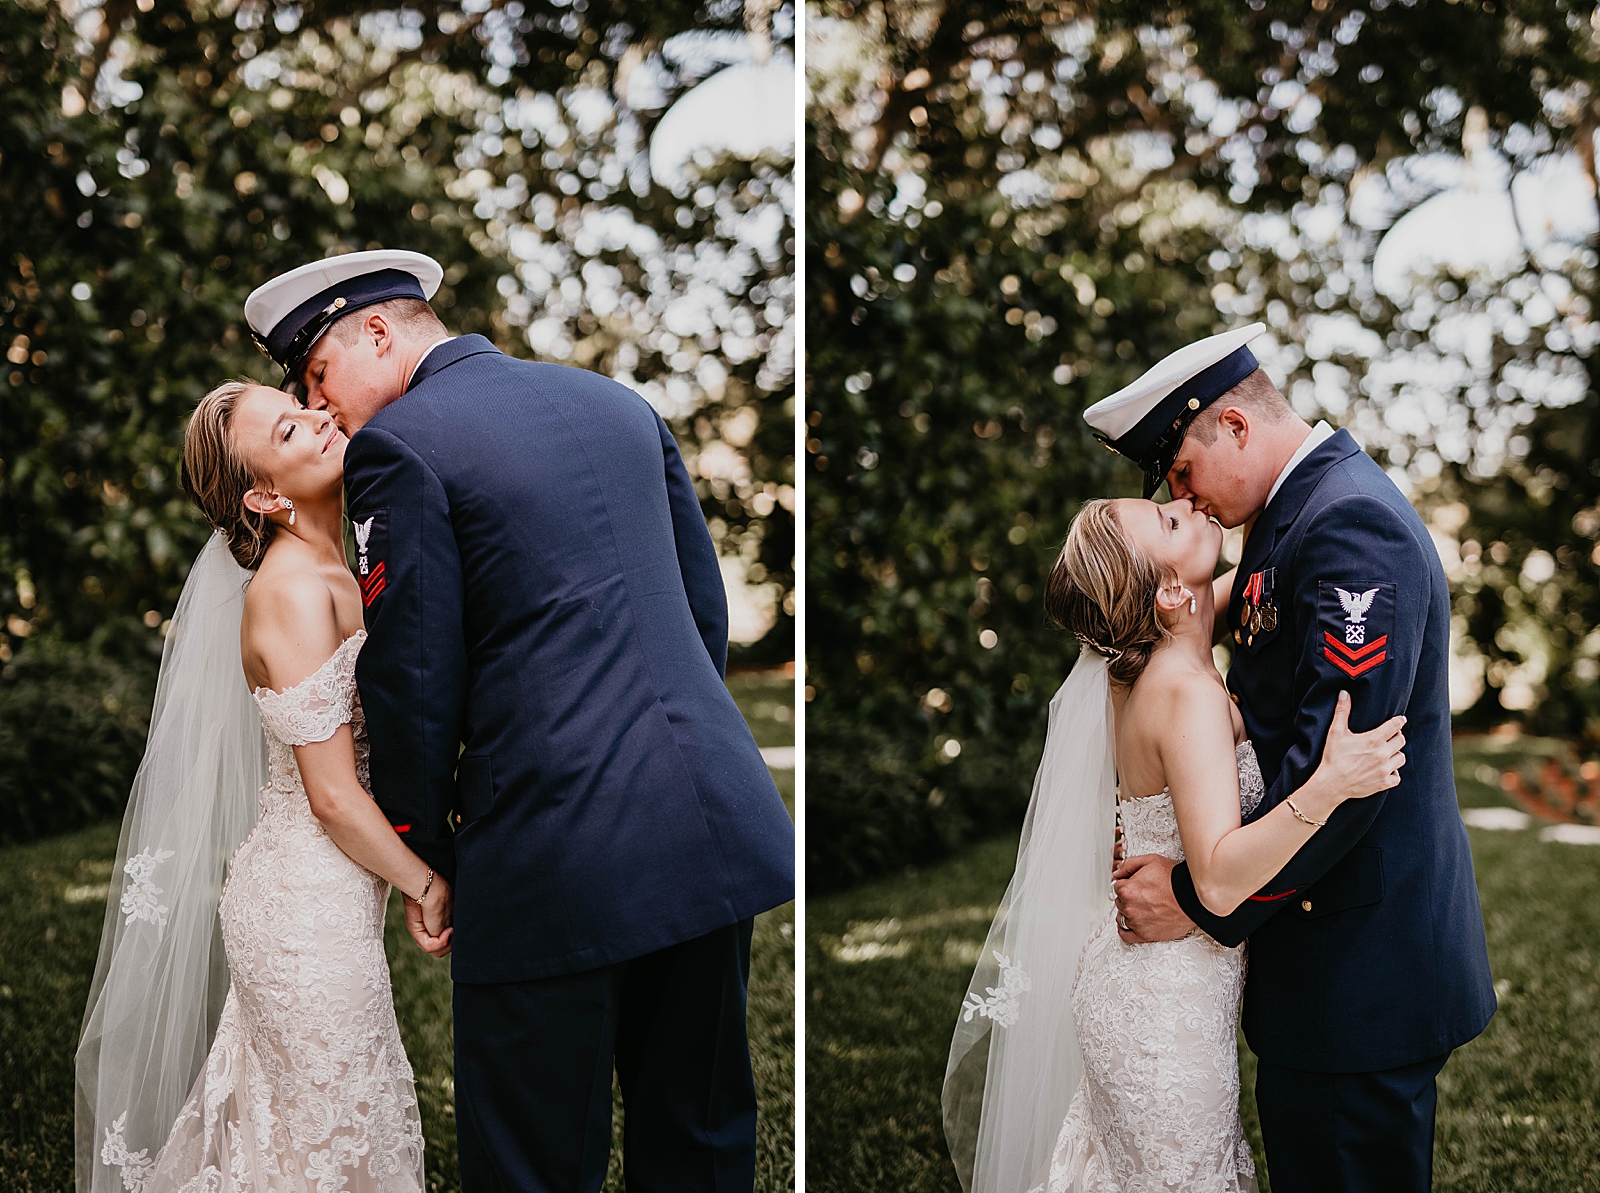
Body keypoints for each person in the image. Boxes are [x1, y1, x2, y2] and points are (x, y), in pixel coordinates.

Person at [241, 249, 795, 1191]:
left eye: (319, 377)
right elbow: (704, 617)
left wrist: (429, 854)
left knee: (534, 1162)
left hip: (547, 852)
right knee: (699, 1139)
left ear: (377, 332)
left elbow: (414, 682)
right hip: (708, 817)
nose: (326, 408)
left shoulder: (401, 444)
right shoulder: (619, 402)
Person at [1092, 324, 1496, 1191]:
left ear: (1235, 427)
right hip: (1324, 964)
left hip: (1359, 969)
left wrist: (1200, 901)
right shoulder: (1294, 516)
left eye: (1183, 473)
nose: (1188, 498)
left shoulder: (1345, 525)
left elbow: (1353, 777)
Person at [943, 486, 1408, 1193]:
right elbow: (1218, 878)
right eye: (1169, 518)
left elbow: (1246, 578)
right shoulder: (1183, 691)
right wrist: (1331, 782)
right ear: (1165, 589)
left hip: (1136, 982)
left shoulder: (1143, 659)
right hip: (1165, 1014)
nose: (1189, 503)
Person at [77, 380, 444, 1192]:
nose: (320, 417)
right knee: (338, 1141)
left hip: (333, 898)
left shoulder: (339, 564)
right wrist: (425, 882)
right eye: (291, 427)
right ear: (265, 494)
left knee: (304, 1140)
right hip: (303, 915)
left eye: (308, 405)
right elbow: (333, 795)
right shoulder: (287, 593)